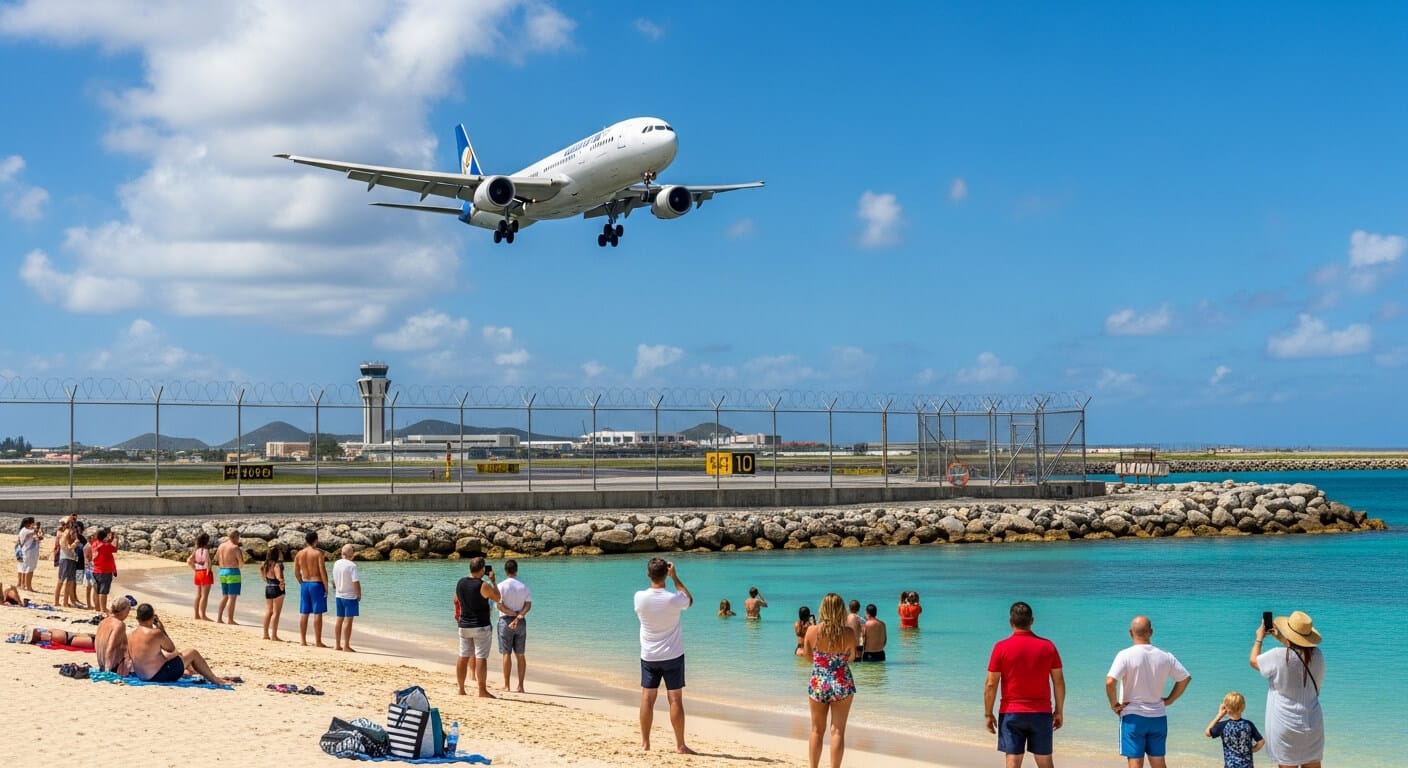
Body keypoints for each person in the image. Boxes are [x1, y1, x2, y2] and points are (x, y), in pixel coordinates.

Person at [984, 601, 1065, 768]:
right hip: (1041, 712)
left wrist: (988, 713)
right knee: (1045, 761)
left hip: (1011, 712)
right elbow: (1058, 682)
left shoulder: (1001, 647)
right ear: (1032, 621)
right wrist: (1058, 710)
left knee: (1013, 760)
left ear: (1010, 622)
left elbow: (991, 684)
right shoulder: (1048, 646)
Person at [1106, 615, 1192, 768]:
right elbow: (1185, 678)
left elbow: (1110, 682)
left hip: (1133, 717)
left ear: (1130, 633)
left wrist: (1114, 704)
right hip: (1158, 716)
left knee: (1135, 763)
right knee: (1159, 762)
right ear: (1151, 632)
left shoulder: (1125, 655)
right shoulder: (1166, 656)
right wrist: (1170, 700)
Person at [634, 557, 695, 754]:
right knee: (675, 700)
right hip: (673, 655)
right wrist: (676, 577)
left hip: (649, 655)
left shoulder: (639, 597)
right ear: (666, 575)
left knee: (647, 699)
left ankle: (645, 743)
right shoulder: (673, 599)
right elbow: (689, 599)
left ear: (648, 574)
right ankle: (680, 745)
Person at [1250, 611, 1324, 768]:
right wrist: (1283, 639)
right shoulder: (1318, 655)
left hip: (1285, 723)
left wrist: (1259, 638)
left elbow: (1254, 661)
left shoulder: (1278, 655)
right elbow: (1300, 654)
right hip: (1313, 722)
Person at [804, 593, 857, 768]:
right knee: (838, 731)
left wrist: (822, 662)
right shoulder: (848, 633)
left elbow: (807, 657)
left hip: (819, 681)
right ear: (841, 610)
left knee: (816, 730)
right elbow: (852, 657)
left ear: (823, 609)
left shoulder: (812, 631)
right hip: (842, 681)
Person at [128, 603, 234, 685]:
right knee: (192, 653)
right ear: (152, 617)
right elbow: (171, 648)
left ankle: (199, 673)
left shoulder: (131, 634)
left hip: (142, 676)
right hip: (158, 676)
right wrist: (162, 629)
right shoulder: (156, 633)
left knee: (178, 656)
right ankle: (216, 680)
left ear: (138, 618)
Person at [455, 557, 500, 698]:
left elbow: (456, 599)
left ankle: (461, 689)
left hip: (464, 625)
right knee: (481, 657)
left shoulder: (460, 583)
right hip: (480, 625)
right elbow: (497, 597)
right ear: (482, 570)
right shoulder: (483, 585)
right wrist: (493, 581)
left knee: (463, 656)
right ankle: (482, 690)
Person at [496, 558, 532, 692]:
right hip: (520, 621)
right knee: (520, 654)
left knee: (506, 653)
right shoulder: (524, 586)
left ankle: (506, 685)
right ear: (516, 571)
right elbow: (528, 605)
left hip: (505, 621)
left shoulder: (500, 586)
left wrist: (510, 613)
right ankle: (521, 686)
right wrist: (519, 615)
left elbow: (499, 605)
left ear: (506, 571)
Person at [1205, 691, 1264, 768]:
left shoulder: (1223, 725)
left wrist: (1219, 715)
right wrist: (1251, 750)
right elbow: (1261, 742)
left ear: (1226, 708)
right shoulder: (1248, 724)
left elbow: (1207, 733)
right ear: (1243, 707)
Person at [294, 531, 328, 647]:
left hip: (305, 584)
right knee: (317, 613)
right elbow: (322, 571)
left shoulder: (299, 554)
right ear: (316, 540)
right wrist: (326, 587)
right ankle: (318, 641)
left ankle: (303, 640)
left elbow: (296, 572)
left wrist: (301, 583)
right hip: (316, 584)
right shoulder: (318, 554)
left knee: (304, 612)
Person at [332, 544, 361, 652]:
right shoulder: (352, 566)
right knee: (348, 621)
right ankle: (346, 645)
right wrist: (359, 594)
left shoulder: (336, 563)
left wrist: (337, 588)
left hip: (339, 595)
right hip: (350, 596)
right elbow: (355, 581)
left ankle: (337, 644)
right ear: (351, 554)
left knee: (339, 619)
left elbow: (334, 580)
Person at [95, 599, 132, 675]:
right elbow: (110, 647)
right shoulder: (119, 625)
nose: (129, 612)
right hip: (112, 667)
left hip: (101, 664)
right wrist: (107, 671)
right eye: (128, 609)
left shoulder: (103, 622)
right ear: (123, 610)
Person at [215, 528, 243, 624]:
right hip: (233, 572)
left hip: (222, 571)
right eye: (238, 537)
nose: (239, 540)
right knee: (232, 597)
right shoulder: (235, 547)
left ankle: (219, 618)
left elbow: (217, 559)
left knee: (225, 596)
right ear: (235, 537)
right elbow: (241, 563)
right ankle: (230, 619)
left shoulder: (221, 546)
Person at [89, 527, 119, 614]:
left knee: (96, 590)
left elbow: (105, 544)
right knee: (103, 591)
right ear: (104, 537)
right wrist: (116, 539)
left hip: (96, 570)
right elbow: (115, 549)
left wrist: (109, 538)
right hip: (105, 571)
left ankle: (97, 607)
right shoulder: (106, 546)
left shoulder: (95, 544)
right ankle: (103, 608)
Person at [261, 545, 287, 642]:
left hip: (268, 587)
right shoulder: (276, 565)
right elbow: (279, 577)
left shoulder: (265, 565)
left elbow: (264, 577)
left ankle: (265, 634)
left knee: (268, 611)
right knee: (276, 613)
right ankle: (274, 635)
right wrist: (282, 583)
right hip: (276, 589)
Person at [187, 532, 214, 621]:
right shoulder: (206, 550)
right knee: (204, 596)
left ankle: (196, 615)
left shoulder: (196, 550)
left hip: (198, 573)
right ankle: (203, 615)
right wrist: (208, 571)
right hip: (205, 573)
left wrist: (194, 568)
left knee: (198, 595)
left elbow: (189, 561)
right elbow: (208, 564)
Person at [53, 521, 80, 608]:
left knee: (70, 581)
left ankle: (65, 602)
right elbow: (67, 546)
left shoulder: (71, 537)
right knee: (61, 580)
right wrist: (74, 543)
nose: (75, 534)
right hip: (65, 559)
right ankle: (56, 601)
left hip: (71, 559)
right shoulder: (64, 536)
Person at [16, 516, 41, 591]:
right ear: (28, 523)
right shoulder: (25, 530)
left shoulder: (23, 530)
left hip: (25, 551)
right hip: (28, 552)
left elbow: (37, 536)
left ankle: (22, 585)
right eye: (33, 523)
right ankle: (28, 586)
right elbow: (35, 531)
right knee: (28, 569)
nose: (33, 524)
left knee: (23, 568)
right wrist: (38, 527)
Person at [25, 626, 96, 648]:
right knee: (94, 642)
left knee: (94, 637)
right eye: (34, 631)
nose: (36, 630)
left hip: (71, 635)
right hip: (70, 640)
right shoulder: (43, 637)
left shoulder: (42, 632)